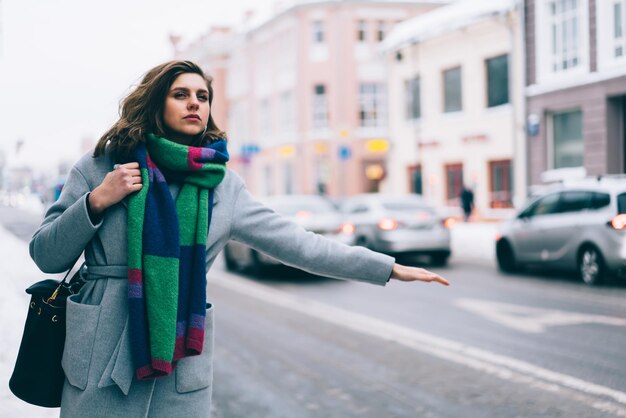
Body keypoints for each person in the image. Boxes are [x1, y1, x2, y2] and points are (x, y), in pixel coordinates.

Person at [28, 60, 449, 417]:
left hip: (179, 367)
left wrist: (386, 266)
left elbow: (299, 244)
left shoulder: (221, 185)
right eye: (180, 94)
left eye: (202, 96)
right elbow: (46, 253)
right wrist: (97, 200)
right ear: (156, 102)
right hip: (101, 353)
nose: (195, 102)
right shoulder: (103, 164)